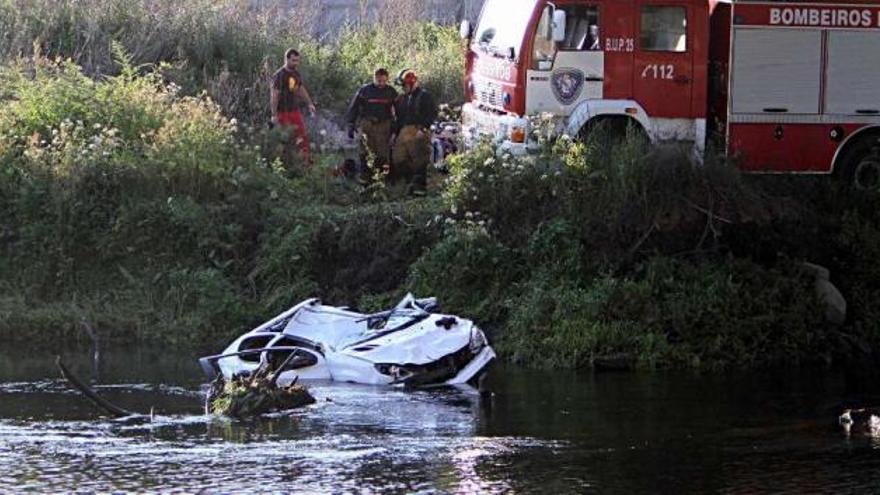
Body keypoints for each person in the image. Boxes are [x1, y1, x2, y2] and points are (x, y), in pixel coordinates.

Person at [344, 68, 398, 183]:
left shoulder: (391, 92)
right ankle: (365, 176)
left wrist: (395, 128)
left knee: (383, 151)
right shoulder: (364, 90)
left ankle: (381, 177)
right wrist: (351, 124)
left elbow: (398, 111)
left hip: (384, 124)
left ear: (387, 79)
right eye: (379, 81)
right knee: (365, 149)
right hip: (367, 123)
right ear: (374, 78)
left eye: (384, 81)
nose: (381, 84)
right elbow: (354, 107)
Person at [391, 69, 437, 196]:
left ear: (412, 83)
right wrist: (395, 133)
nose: (403, 89)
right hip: (404, 132)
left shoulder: (424, 96)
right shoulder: (402, 99)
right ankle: (409, 182)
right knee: (398, 159)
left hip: (419, 131)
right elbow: (399, 118)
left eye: (404, 86)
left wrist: (423, 128)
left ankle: (419, 189)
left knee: (420, 160)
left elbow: (432, 114)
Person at [270, 48, 317, 167]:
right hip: (282, 112)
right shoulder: (279, 76)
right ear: (286, 59)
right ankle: (281, 166)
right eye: (293, 60)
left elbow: (300, 89)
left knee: (302, 137)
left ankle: (306, 163)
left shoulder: (295, 73)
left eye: (297, 61)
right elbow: (275, 95)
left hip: (294, 111)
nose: (296, 63)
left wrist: (309, 103)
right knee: (284, 139)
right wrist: (274, 114)